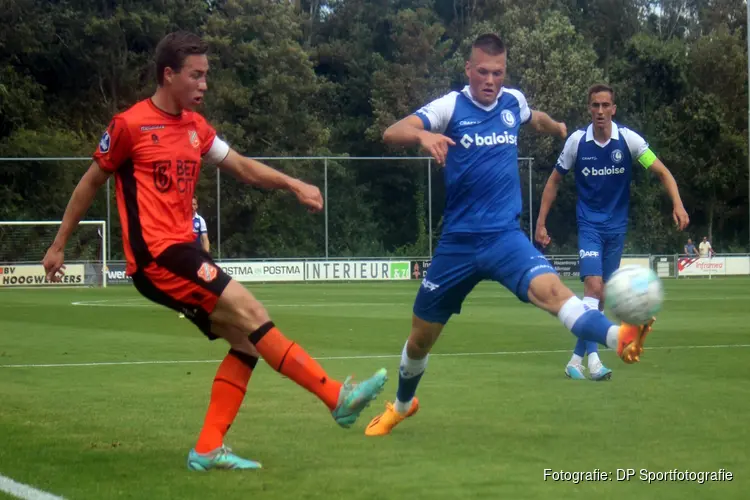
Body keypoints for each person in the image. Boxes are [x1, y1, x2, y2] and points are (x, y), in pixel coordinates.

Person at [42, 31, 387, 470]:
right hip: (157, 258)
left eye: (207, 75)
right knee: (251, 310)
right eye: (196, 75)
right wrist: (58, 245)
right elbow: (90, 181)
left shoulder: (195, 128)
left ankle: (206, 448)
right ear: (168, 75)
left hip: (185, 252)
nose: (204, 84)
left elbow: (240, 166)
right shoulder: (129, 126)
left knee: (246, 343)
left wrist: (292, 183)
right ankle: (335, 396)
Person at [365, 34, 653, 437]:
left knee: (555, 294)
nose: (490, 80)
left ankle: (619, 337)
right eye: (482, 72)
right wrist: (423, 135)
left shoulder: (512, 102)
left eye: (497, 73)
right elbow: (391, 132)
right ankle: (401, 404)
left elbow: (532, 117)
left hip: (504, 237)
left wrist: (555, 127)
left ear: (505, 73)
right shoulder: (450, 106)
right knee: (421, 339)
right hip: (458, 244)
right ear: (468, 70)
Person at [535, 84, 689, 381]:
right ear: (589, 109)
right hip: (590, 226)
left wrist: (678, 204)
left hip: (616, 230)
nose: (601, 111)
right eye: (595, 105)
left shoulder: (628, 142)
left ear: (614, 109)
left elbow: (662, 171)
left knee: (601, 297)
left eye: (606, 105)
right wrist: (541, 222)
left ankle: (578, 360)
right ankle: (591, 362)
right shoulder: (577, 143)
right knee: (593, 288)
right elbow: (554, 182)